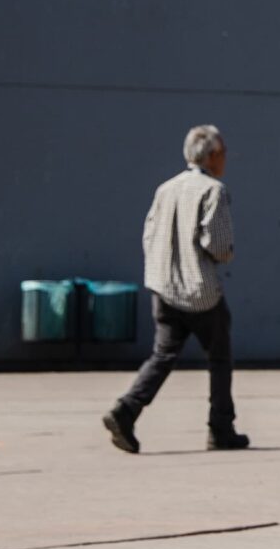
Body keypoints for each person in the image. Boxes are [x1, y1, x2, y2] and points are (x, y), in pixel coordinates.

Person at [103, 125, 249, 453]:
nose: (226, 159)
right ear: (213, 155)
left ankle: (127, 409)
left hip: (163, 287)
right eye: (224, 153)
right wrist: (221, 254)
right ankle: (221, 428)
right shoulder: (213, 190)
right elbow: (219, 246)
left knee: (163, 355)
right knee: (219, 358)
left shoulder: (165, 188)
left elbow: (149, 233)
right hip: (200, 290)